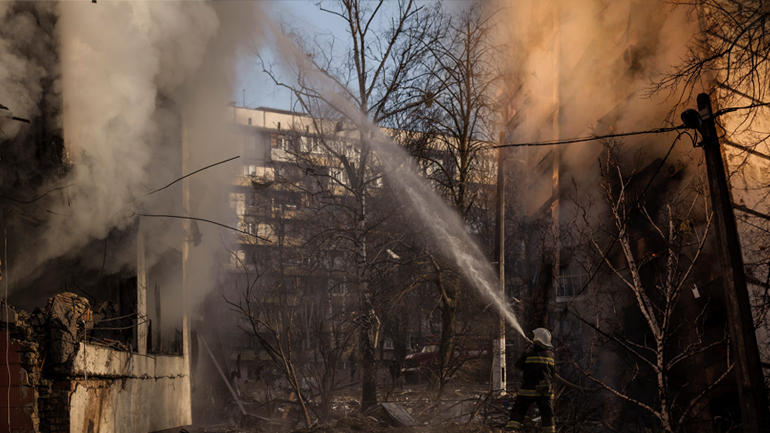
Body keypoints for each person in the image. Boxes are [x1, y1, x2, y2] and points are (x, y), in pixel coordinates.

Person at [506, 328, 555, 432]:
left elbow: (518, 366)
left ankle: (512, 430)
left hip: (528, 389)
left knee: (518, 410)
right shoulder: (551, 355)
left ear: (537, 339)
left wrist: (525, 352)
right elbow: (553, 372)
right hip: (545, 390)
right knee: (547, 414)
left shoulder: (529, 353)